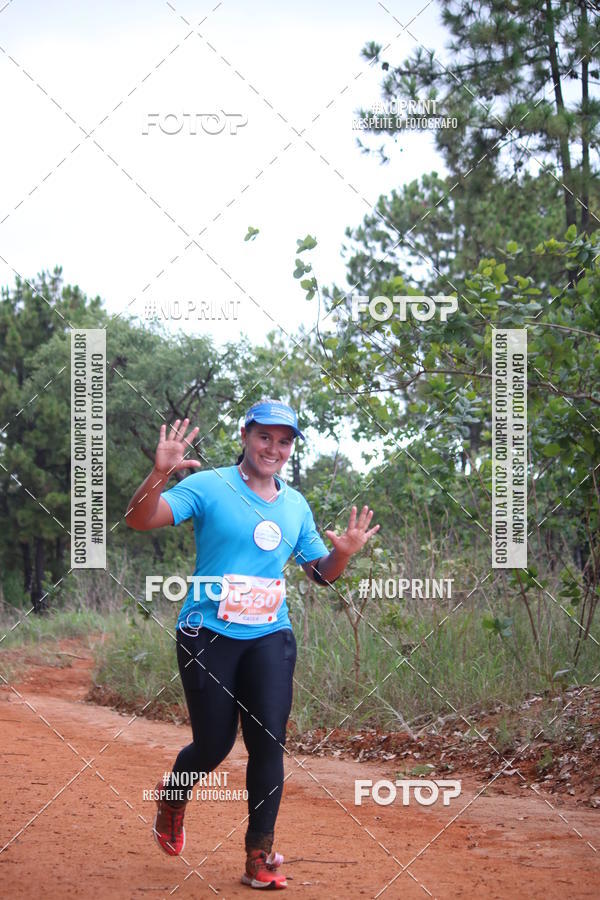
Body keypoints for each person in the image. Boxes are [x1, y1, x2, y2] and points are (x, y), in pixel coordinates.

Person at [126, 398, 379, 889]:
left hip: (269, 635)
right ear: (245, 435)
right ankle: (174, 796)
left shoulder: (295, 504)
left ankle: (259, 856)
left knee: (269, 744)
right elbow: (140, 519)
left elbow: (319, 574)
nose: (274, 448)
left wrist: (342, 555)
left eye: (284, 441)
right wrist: (159, 474)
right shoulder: (209, 485)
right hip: (208, 632)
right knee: (214, 744)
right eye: (265, 436)